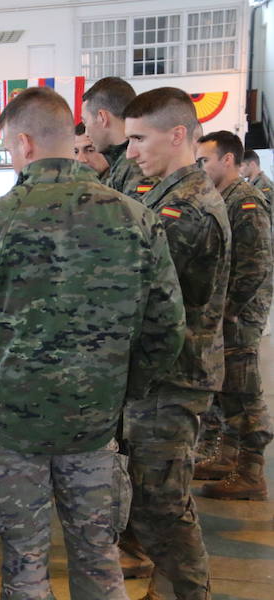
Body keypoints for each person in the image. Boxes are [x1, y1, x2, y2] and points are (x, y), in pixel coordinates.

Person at [0, 87, 185, 600]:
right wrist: (119, 390)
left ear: (26, 145)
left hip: (13, 427)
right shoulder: (136, 217)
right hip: (96, 424)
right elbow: (167, 329)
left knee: (26, 561)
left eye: (10, 149)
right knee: (99, 558)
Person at [123, 86, 231, 599]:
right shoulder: (167, 196)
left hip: (174, 376)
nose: (131, 151)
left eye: (140, 138)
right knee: (153, 499)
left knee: (163, 505)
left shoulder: (186, 209)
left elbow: (148, 298)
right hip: (165, 374)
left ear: (178, 134)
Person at [195, 131, 272, 501]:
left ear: (227, 160)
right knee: (224, 389)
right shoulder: (221, 198)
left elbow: (255, 266)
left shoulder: (246, 202)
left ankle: (251, 472)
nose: (200, 168)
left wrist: (230, 310)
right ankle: (225, 459)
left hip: (240, 316)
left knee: (245, 391)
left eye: (204, 161)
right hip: (225, 313)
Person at [82, 77, 156, 199]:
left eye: (86, 122)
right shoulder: (121, 163)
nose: (86, 133)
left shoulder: (136, 166)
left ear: (102, 117)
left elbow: (136, 216)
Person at [240, 149, 274, 218]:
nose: (239, 170)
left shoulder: (266, 186)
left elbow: (270, 215)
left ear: (252, 164)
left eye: (242, 166)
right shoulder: (248, 184)